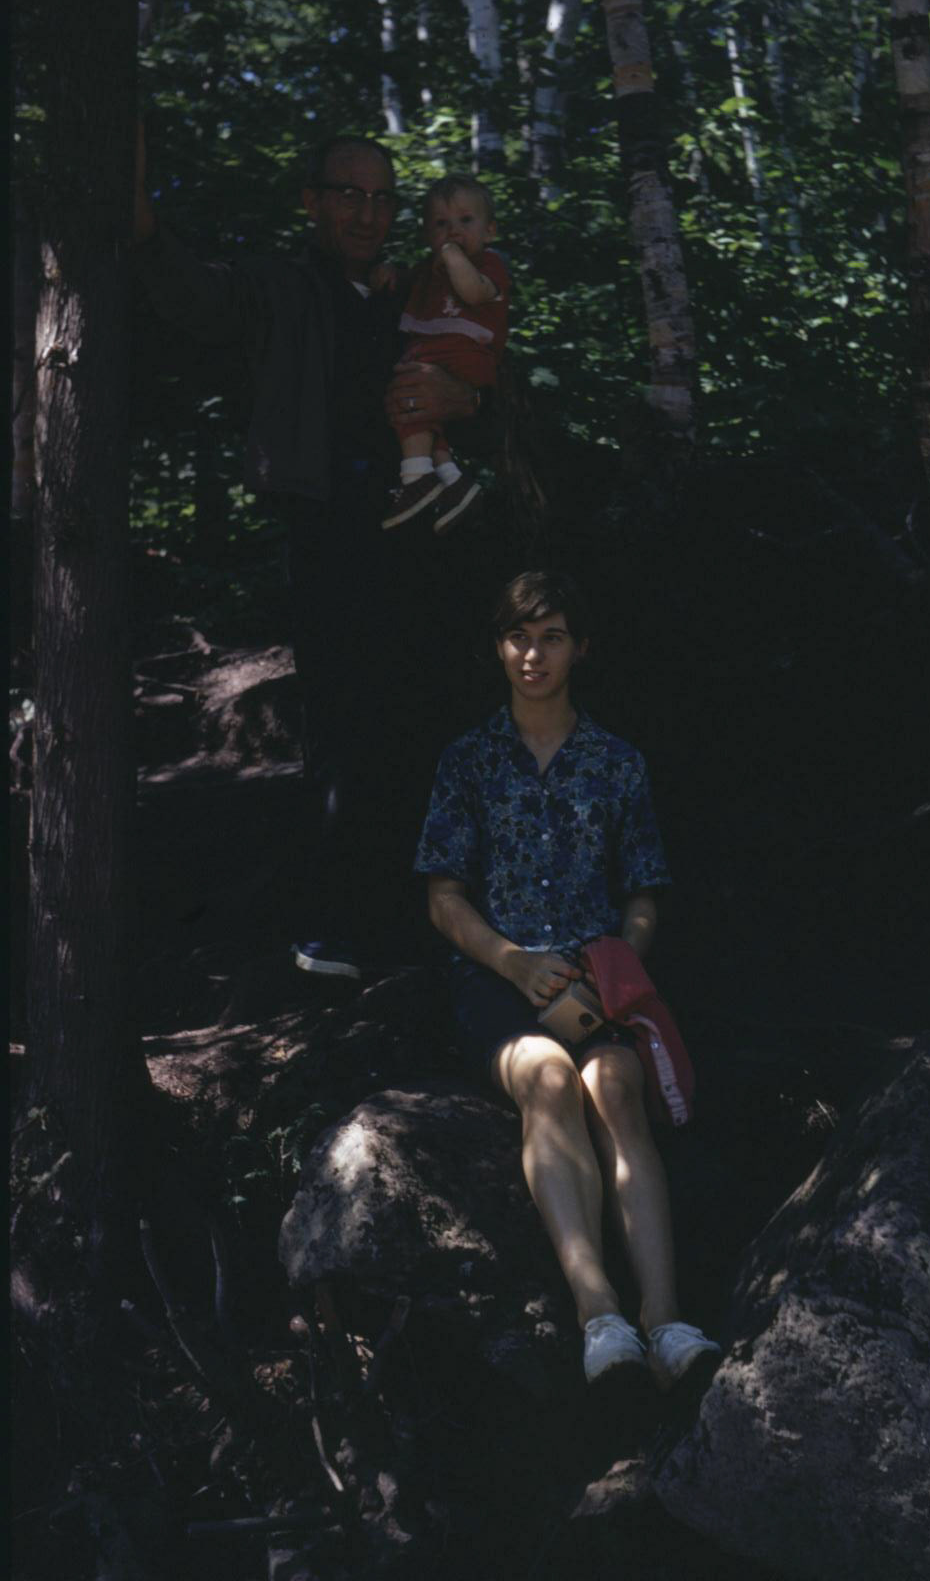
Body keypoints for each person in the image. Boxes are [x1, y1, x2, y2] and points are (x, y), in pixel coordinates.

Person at [132, 131, 495, 976]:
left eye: (382, 198)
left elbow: (486, 361)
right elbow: (193, 296)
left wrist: (468, 400)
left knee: (432, 713)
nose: (367, 214)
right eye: (348, 194)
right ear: (312, 202)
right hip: (333, 531)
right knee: (346, 723)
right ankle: (336, 928)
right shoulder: (280, 285)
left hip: (430, 524)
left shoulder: (419, 288)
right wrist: (141, 220)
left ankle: (436, 921)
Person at [414, 571, 720, 1394]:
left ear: (581, 648)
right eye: (518, 637)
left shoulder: (616, 763)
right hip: (498, 979)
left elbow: (644, 894)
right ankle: (601, 1319)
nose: (533, 655)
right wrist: (514, 961)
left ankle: (668, 1323)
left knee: (616, 1086)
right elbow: (443, 898)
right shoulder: (469, 761)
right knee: (548, 1079)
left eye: (551, 637)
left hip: (594, 982)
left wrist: (615, 963)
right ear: (497, 647)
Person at [377, 174, 509, 534]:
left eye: (465, 221)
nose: (452, 231)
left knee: (411, 396)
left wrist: (452, 255)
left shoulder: (487, 263)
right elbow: (408, 284)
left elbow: (474, 293)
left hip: (464, 353)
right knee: (422, 410)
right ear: (427, 235)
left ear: (489, 231)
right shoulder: (429, 269)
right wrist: (391, 274)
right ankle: (454, 482)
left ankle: (416, 479)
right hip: (435, 353)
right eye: (440, 224)